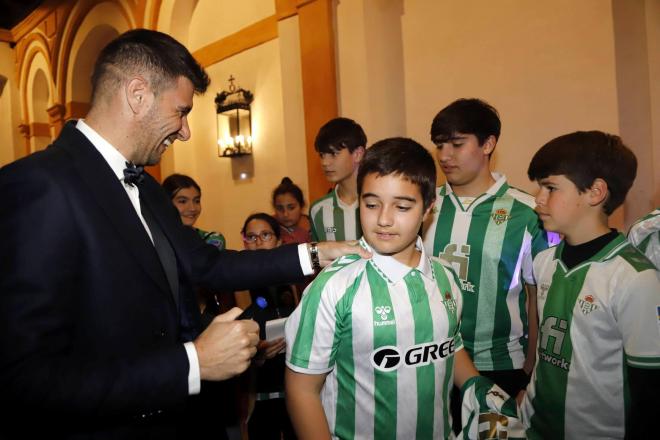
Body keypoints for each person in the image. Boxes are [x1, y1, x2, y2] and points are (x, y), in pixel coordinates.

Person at [0, 29, 366, 439]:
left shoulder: (149, 190)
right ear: (138, 95)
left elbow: (207, 263)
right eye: (182, 111)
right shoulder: (37, 185)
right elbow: (24, 377)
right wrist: (193, 363)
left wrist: (316, 253)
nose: (186, 131)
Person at [285, 137, 519, 440]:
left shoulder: (446, 277)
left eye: (402, 206)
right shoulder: (334, 286)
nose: (383, 219)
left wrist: (476, 384)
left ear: (427, 209)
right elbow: (302, 390)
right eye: (371, 204)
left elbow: (449, 341)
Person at [423, 99, 555, 425]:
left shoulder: (527, 212)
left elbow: (538, 296)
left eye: (456, 144)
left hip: (501, 366)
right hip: (431, 360)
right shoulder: (423, 206)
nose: (444, 156)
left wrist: (531, 372)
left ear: (488, 143)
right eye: (439, 145)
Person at [521, 131, 660, 439]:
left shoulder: (635, 278)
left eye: (550, 187)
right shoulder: (544, 261)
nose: (538, 199)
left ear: (595, 192)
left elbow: (649, 394)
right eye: (539, 187)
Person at [240, 213, 297, 439]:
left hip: (297, 394)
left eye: (265, 235)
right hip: (259, 400)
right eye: (251, 237)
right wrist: (255, 353)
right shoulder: (236, 286)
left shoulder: (296, 281)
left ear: (279, 240)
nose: (259, 242)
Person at [309, 117, 366, 242]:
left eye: (334, 154)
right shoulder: (318, 210)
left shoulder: (379, 204)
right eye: (322, 155)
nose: (325, 162)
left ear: (357, 154)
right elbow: (316, 257)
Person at [163, 173, 227, 250]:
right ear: (166, 203)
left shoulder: (213, 238)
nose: (192, 208)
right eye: (182, 201)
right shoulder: (156, 239)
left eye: (196, 201)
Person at [272, 177, 312, 245]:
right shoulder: (269, 228)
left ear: (302, 206)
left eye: (291, 208)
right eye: (280, 208)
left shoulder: (314, 226)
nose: (285, 214)